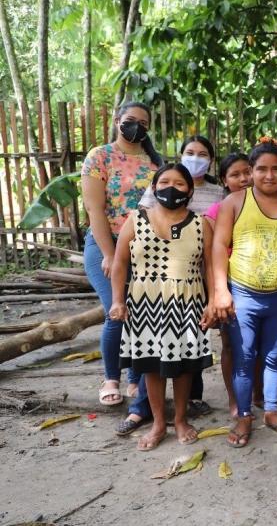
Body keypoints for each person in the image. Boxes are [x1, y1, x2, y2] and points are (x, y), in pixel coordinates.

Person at [211, 139, 277, 448]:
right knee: (244, 358)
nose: (269, 175)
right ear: (251, 171)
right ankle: (244, 415)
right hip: (242, 295)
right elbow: (218, 245)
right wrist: (220, 290)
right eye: (261, 169)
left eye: (276, 169)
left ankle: (270, 410)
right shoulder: (235, 203)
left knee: (274, 357)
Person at [110, 163, 214, 450]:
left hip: (188, 301)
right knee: (151, 366)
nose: (171, 188)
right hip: (145, 302)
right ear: (153, 188)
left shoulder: (200, 223)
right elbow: (119, 263)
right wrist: (117, 300)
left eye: (179, 184)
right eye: (164, 182)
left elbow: (212, 266)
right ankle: (158, 423)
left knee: (182, 368)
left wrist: (214, 301)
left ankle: (180, 419)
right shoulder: (135, 219)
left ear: (190, 191)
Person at [81, 101, 162, 409]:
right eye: (131, 120)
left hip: (145, 249)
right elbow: (94, 209)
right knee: (117, 311)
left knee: (145, 315)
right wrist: (109, 254)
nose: (136, 126)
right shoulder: (99, 156)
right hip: (106, 243)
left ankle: (137, 379)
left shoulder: (154, 163)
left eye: (143, 123)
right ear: (117, 121)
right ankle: (111, 377)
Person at [137, 135, 224, 416]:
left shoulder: (217, 194)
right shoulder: (140, 214)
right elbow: (136, 242)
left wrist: (214, 297)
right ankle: (145, 412)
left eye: (202, 153)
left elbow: (212, 259)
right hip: (151, 288)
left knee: (186, 355)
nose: (171, 189)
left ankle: (186, 409)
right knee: (151, 357)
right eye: (190, 152)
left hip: (192, 284)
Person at [204, 153, 257, 419]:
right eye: (235, 175)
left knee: (259, 344)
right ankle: (234, 399)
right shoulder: (217, 211)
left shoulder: (269, 205)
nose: (244, 179)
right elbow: (213, 255)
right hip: (231, 287)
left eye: (247, 172)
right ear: (224, 181)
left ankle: (258, 394)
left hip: (260, 284)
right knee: (230, 345)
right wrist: (217, 294)